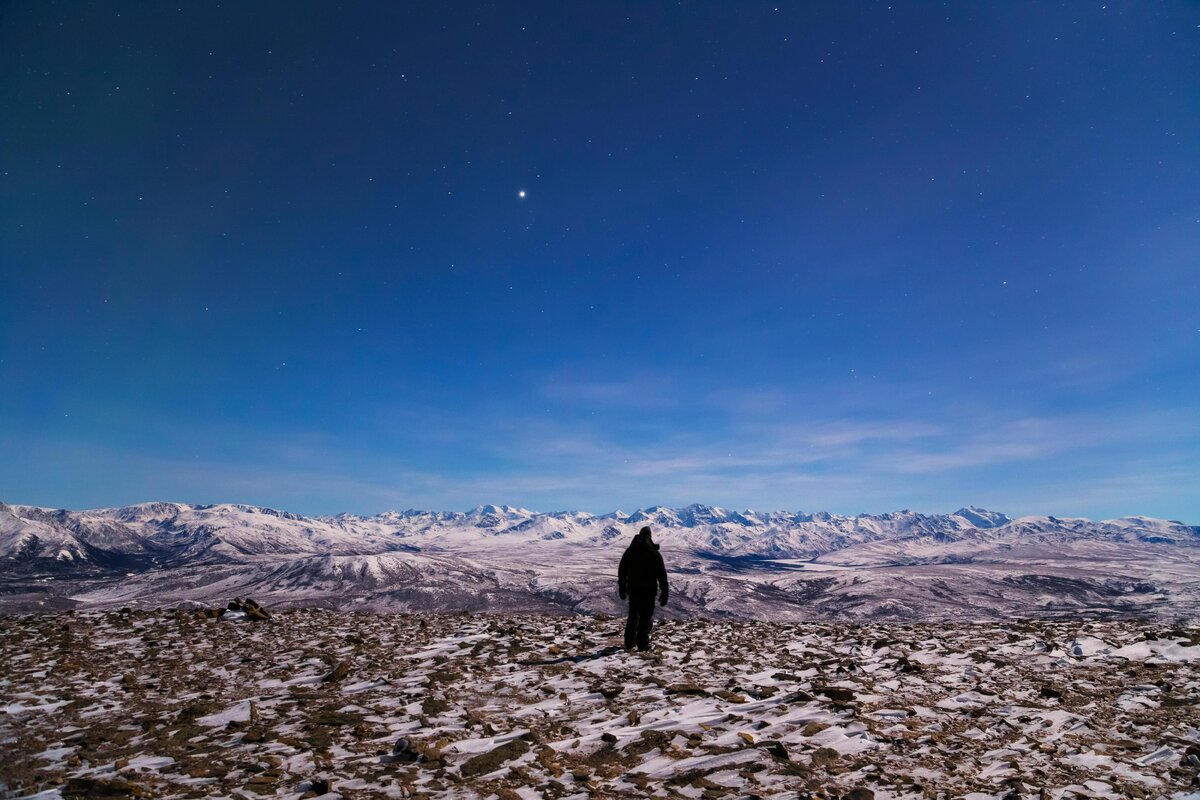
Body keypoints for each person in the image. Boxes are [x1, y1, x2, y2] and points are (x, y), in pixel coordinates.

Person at [618, 526, 669, 652]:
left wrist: (622, 587)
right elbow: (661, 573)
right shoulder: (653, 553)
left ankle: (629, 642)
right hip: (649, 591)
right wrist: (665, 590)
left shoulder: (630, 552)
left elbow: (622, 571)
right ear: (650, 536)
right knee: (646, 617)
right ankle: (642, 643)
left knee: (633, 615)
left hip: (634, 590)